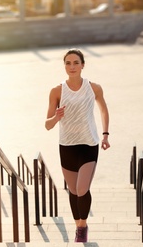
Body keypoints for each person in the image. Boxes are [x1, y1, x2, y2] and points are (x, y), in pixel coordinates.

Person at [45, 48, 110, 242]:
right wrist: (56, 117)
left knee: (82, 189)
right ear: (64, 66)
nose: (72, 66)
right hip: (67, 145)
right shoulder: (57, 91)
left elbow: (104, 111)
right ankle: (78, 224)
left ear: (83, 65)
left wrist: (105, 135)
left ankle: (82, 226)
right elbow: (47, 125)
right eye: (68, 63)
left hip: (89, 143)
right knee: (73, 191)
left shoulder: (94, 88)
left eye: (75, 62)